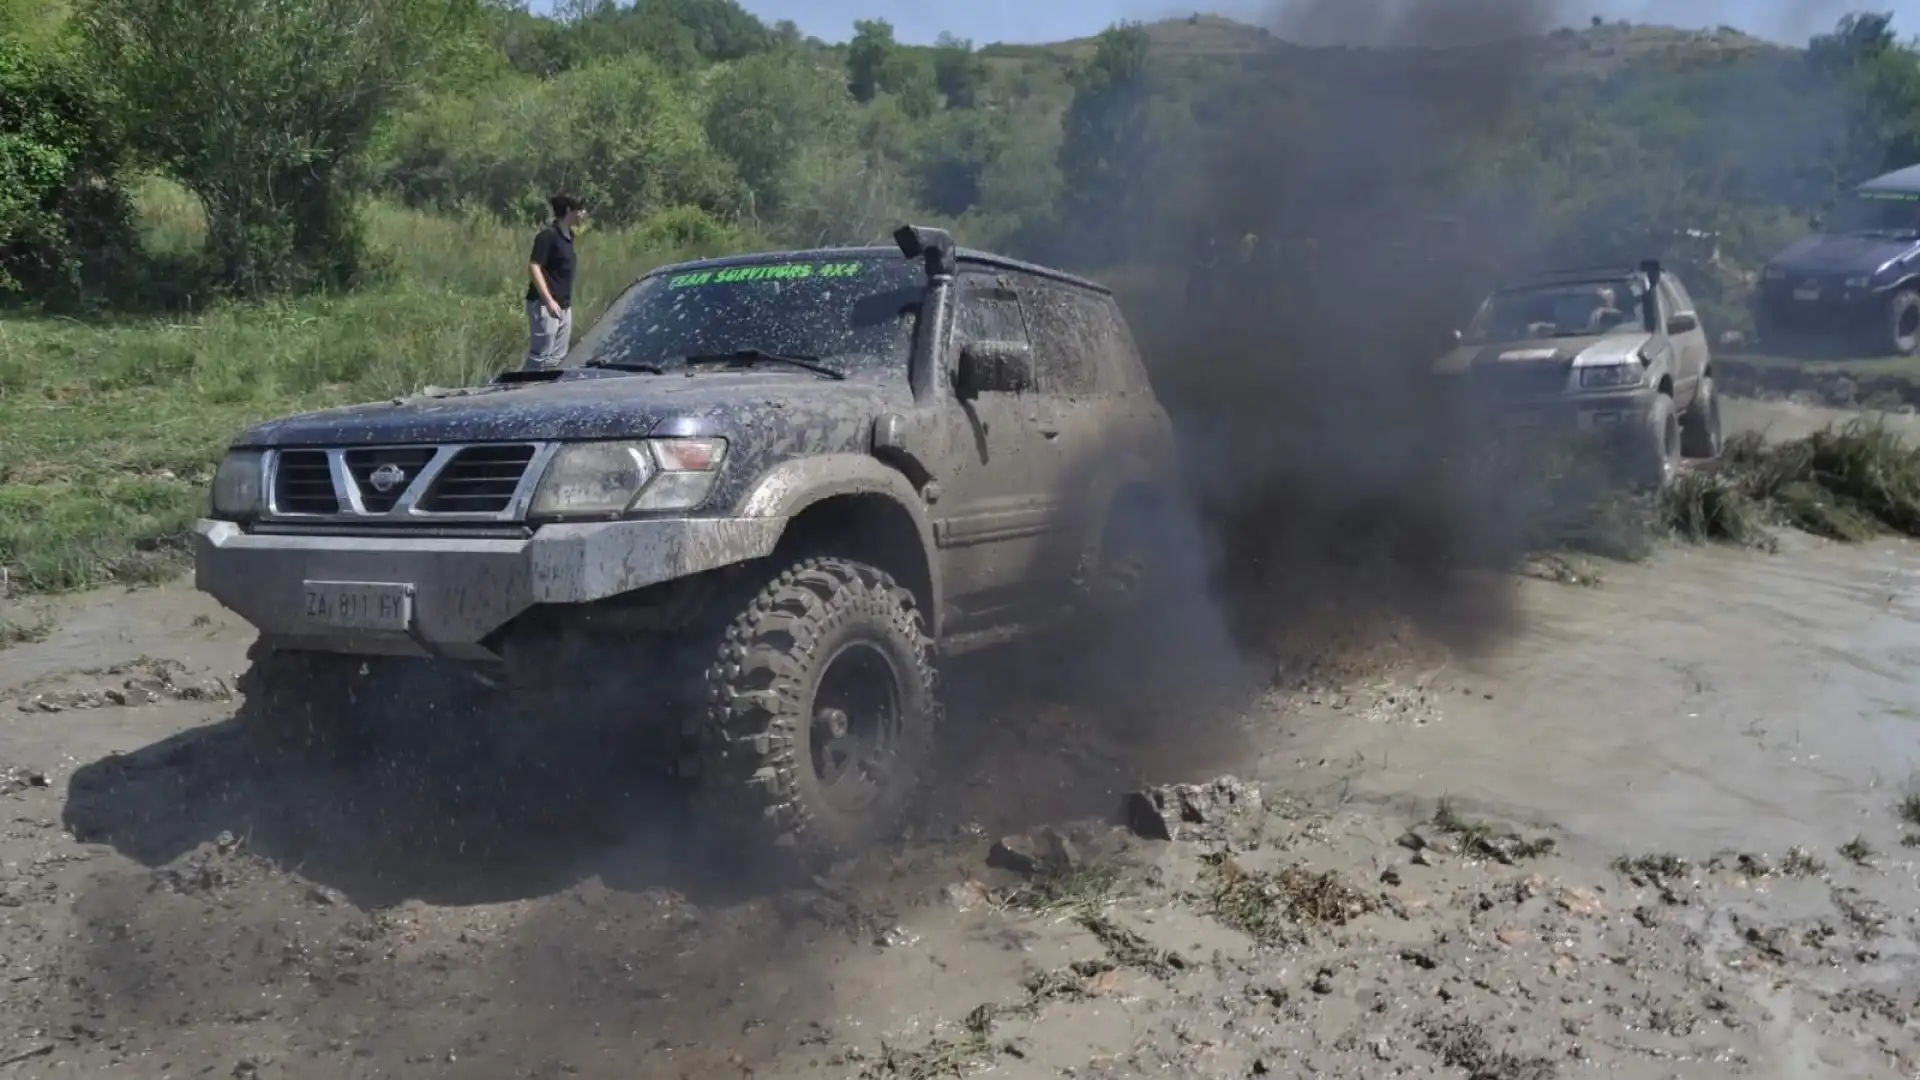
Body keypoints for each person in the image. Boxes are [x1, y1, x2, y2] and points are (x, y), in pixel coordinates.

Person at [525, 193, 586, 371]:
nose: (583, 214)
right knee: (541, 356)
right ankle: (521, 388)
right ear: (568, 210)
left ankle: (547, 394)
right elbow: (534, 266)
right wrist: (549, 300)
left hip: (564, 305)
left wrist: (563, 304)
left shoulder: (569, 237)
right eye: (580, 210)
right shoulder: (548, 236)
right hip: (545, 304)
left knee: (558, 359)